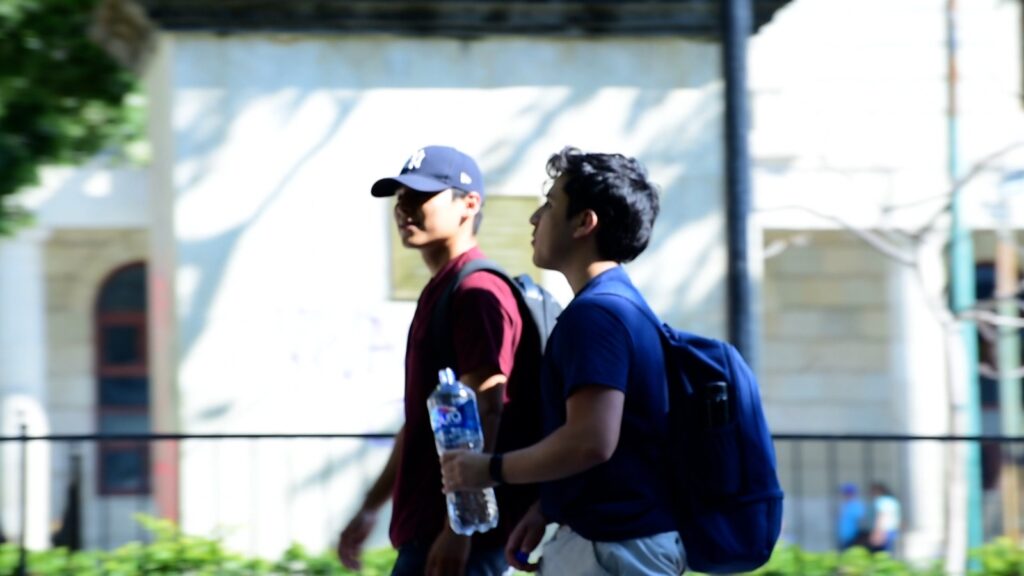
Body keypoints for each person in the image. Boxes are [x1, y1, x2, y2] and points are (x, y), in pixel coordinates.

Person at [440, 146, 685, 575]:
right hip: (616, 543)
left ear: (584, 223)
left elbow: (590, 441)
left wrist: (490, 469)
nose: (535, 218)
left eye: (550, 204)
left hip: (613, 549)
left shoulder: (597, 315)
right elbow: (616, 447)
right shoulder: (619, 304)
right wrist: (548, 506)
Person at [337, 145, 541, 576]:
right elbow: (425, 421)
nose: (404, 208)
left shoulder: (477, 292)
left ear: (470, 204)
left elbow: (488, 408)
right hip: (429, 531)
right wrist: (370, 506)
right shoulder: (443, 288)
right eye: (401, 197)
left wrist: (459, 530)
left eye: (422, 196)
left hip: (460, 542)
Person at [866, 481, 901, 554]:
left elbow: (881, 516)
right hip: (893, 529)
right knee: (892, 551)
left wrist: (876, 531)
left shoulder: (880, 501)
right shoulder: (893, 501)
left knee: (882, 553)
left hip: (883, 530)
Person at [836, 483, 865, 550]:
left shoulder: (856, 505)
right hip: (843, 536)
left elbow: (860, 521)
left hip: (853, 536)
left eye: (846, 493)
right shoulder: (845, 505)